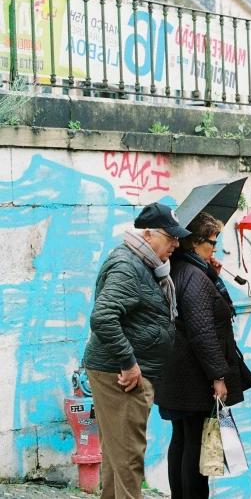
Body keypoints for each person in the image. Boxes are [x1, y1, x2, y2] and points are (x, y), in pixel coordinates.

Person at [83, 202, 190, 499]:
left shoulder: (144, 264)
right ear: (147, 234)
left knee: (119, 457)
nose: (176, 244)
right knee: (129, 458)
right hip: (121, 374)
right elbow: (103, 316)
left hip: (119, 368)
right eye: (170, 238)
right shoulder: (128, 266)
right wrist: (129, 363)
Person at [154, 212, 244, 499]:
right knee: (194, 442)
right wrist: (218, 376)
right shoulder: (193, 276)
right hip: (193, 377)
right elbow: (202, 331)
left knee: (181, 439)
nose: (214, 249)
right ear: (194, 242)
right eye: (212, 242)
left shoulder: (181, 269)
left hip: (177, 374)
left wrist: (213, 274)